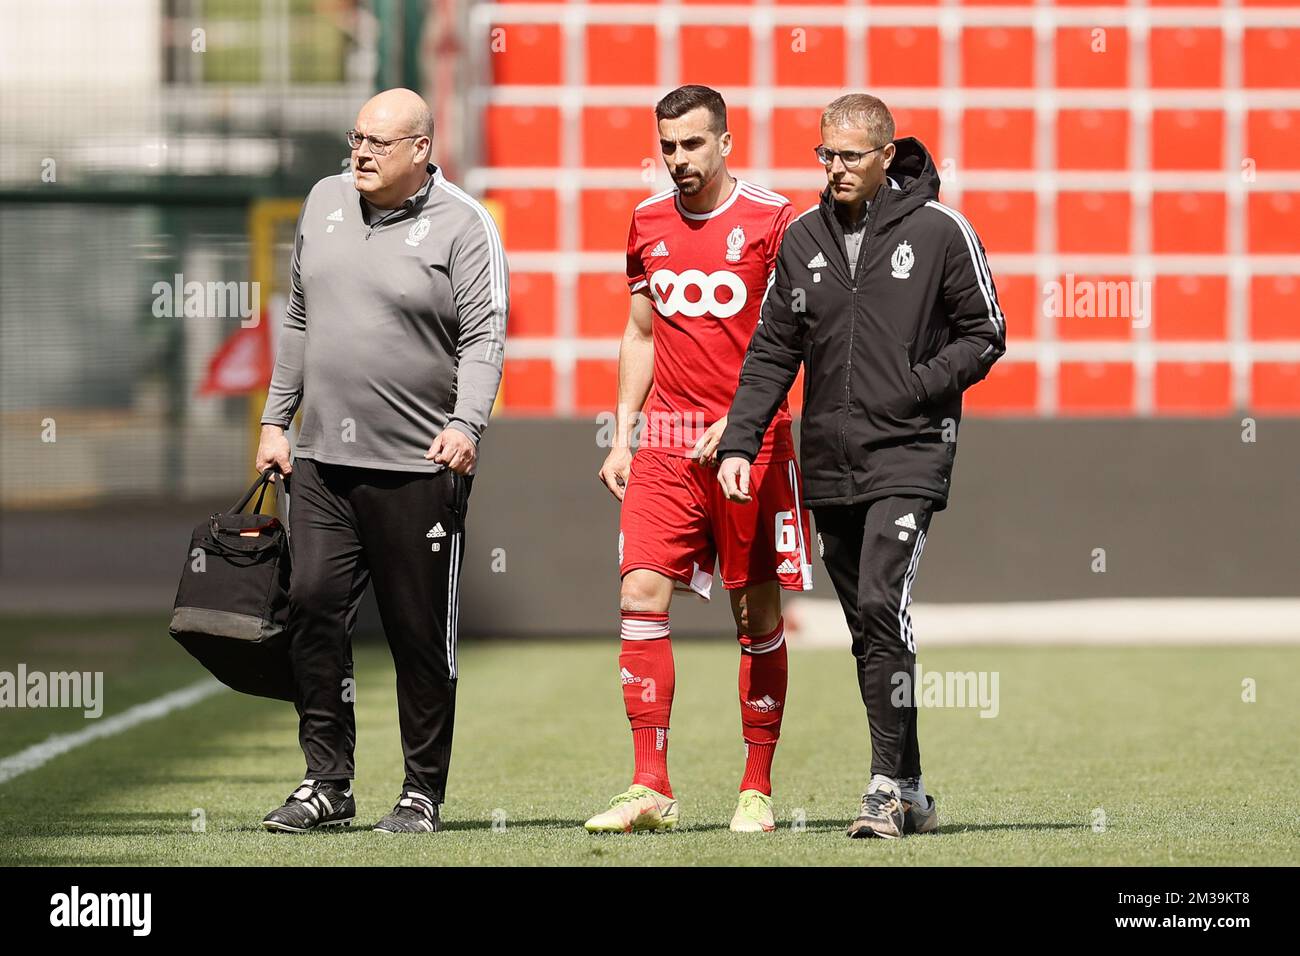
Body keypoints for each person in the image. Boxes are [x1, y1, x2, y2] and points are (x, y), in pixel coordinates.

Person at [718, 93, 1006, 839]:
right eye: (826, 154)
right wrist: (740, 442)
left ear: (887, 155)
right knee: (867, 627)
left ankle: (882, 787)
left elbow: (987, 331)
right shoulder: (803, 237)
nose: (835, 168)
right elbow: (772, 351)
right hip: (830, 462)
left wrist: (916, 386)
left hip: (910, 453)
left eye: (849, 155)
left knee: (882, 601)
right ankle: (909, 788)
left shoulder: (942, 231)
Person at [255, 88, 508, 834]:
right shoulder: (323, 200)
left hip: (419, 469)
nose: (358, 153)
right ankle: (327, 782)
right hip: (322, 464)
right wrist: (276, 420)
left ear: (420, 149)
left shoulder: (465, 226)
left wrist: (468, 424)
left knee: (417, 634)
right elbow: (298, 316)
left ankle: (421, 792)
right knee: (311, 610)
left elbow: (485, 337)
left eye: (378, 142)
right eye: (355, 137)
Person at [586, 85, 812, 835]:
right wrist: (623, 433)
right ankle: (650, 783)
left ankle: (756, 788)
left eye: (692, 144)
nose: (678, 159)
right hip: (665, 443)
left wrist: (742, 424)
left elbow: (795, 338)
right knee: (640, 594)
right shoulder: (647, 220)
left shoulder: (774, 220)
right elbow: (642, 332)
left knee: (756, 613)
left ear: (725, 142)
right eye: (668, 146)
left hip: (752, 445)